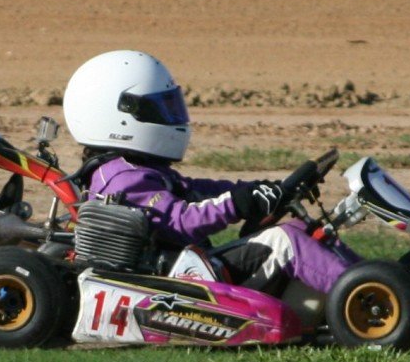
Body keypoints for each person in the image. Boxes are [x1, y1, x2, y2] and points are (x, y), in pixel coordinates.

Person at [62, 49, 353, 296]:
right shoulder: (122, 179)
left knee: (306, 232)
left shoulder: (134, 168)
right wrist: (237, 203)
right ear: (119, 117)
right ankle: (363, 294)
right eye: (159, 110)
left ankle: (374, 279)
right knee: (285, 241)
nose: (171, 117)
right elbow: (180, 220)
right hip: (181, 283)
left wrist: (256, 190)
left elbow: (196, 191)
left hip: (193, 269)